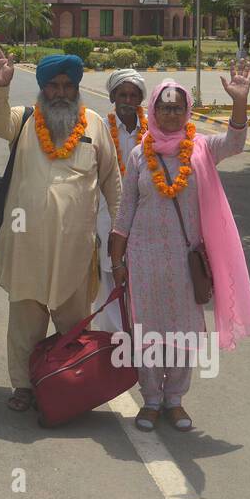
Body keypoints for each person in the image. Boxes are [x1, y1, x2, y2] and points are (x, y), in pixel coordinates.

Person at [108, 65, 250, 432]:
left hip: (184, 259)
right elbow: (126, 207)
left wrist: (240, 102)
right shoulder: (140, 155)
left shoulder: (203, 148)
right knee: (146, 331)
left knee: (181, 331)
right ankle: (151, 400)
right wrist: (117, 259)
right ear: (154, 111)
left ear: (186, 110)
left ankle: (175, 399)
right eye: (164, 107)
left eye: (178, 107)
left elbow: (236, 143)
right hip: (142, 258)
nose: (171, 113)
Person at [0, 46, 121, 412]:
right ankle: (24, 387)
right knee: (24, 325)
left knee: (73, 326)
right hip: (26, 248)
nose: (60, 92)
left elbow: (113, 183)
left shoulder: (94, 123)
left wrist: (120, 236)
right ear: (42, 89)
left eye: (67, 85)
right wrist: (0, 88)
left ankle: (69, 383)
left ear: (76, 87)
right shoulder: (24, 120)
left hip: (75, 250)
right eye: (53, 86)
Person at [94, 68, 148, 332]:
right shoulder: (101, 129)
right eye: (122, 94)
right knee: (109, 279)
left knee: (139, 278)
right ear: (113, 97)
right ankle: (111, 341)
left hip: (144, 218)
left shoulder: (152, 131)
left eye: (133, 95)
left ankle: (139, 335)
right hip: (107, 216)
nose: (127, 100)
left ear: (140, 99)